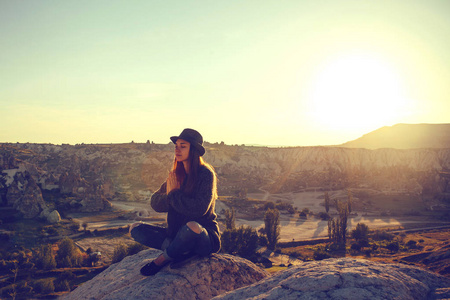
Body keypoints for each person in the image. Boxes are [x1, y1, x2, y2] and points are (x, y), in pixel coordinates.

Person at [129, 128, 221, 276]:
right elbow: (155, 202)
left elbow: (199, 209)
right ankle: (180, 250)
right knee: (135, 229)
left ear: (193, 150)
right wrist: (171, 196)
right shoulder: (176, 175)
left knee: (191, 227)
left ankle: (162, 259)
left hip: (202, 237)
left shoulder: (206, 174)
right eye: (176, 146)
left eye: (183, 146)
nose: (177, 149)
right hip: (175, 235)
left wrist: (173, 194)